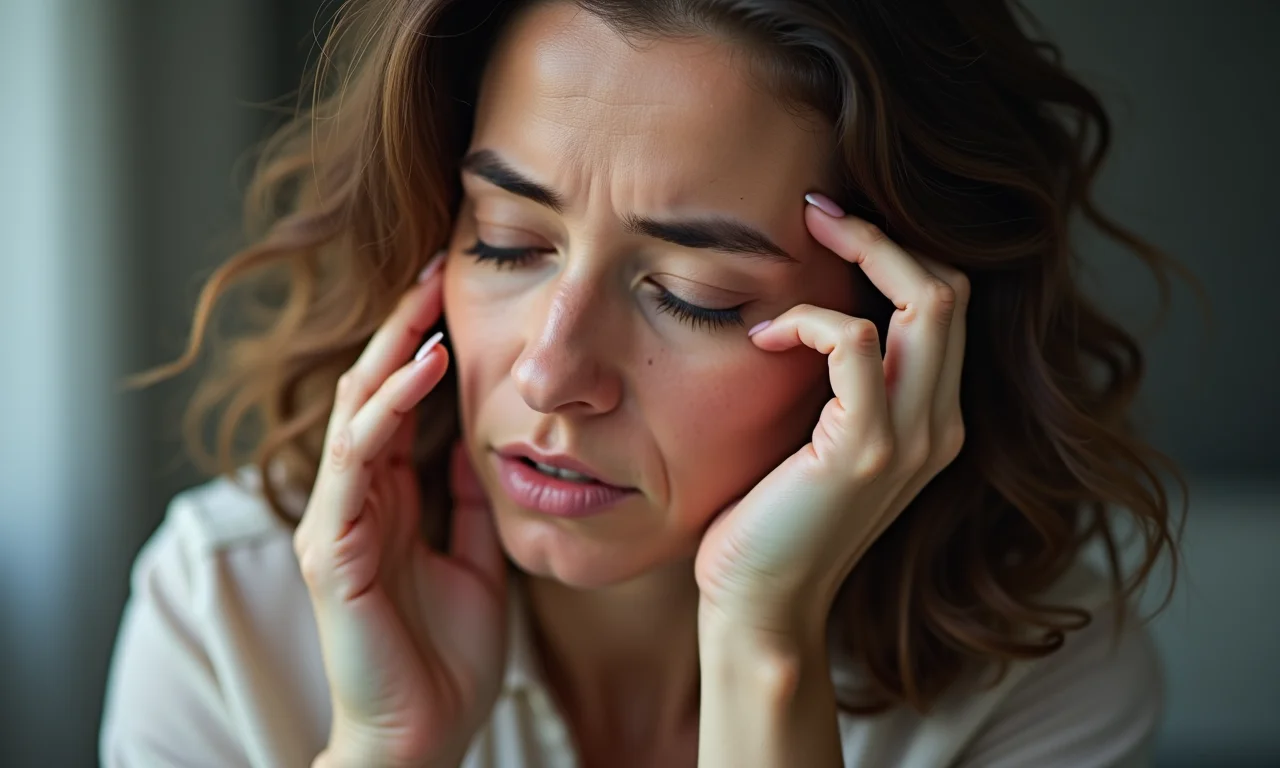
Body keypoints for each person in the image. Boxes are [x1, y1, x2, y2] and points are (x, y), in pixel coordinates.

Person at [100, 0, 1187, 766]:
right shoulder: (228, 612)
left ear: (888, 332)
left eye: (694, 293)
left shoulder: (1034, 670)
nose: (549, 370)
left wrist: (764, 646)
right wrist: (384, 755)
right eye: (506, 242)